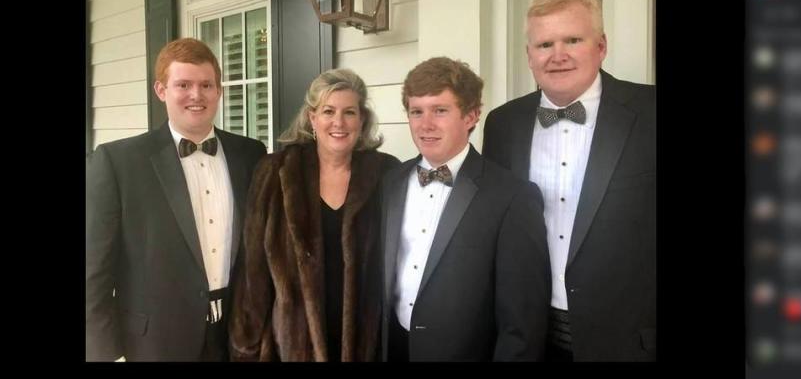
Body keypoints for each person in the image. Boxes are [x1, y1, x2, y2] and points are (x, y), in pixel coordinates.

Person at [483, 0, 656, 361]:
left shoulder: (651, 112)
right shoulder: (502, 123)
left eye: (573, 40)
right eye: (545, 45)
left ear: (601, 47)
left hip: (628, 342)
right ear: (529, 55)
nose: (557, 55)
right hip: (529, 338)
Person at [86, 38, 267, 361]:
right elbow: (93, 269)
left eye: (206, 85)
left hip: (238, 336)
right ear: (161, 90)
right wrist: (105, 353)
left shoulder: (250, 154)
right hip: (153, 342)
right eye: (183, 84)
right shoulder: (118, 161)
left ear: (219, 91)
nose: (196, 95)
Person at [381, 57, 550, 361]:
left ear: (471, 115)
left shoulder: (512, 197)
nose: (425, 124)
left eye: (440, 111)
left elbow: (522, 323)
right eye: (416, 111)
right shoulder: (390, 183)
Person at [229, 69, 399, 361]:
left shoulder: (386, 174)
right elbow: (252, 271)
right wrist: (246, 348)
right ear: (312, 118)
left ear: (362, 120)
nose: (338, 122)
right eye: (328, 111)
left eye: (349, 112)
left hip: (367, 345)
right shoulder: (275, 172)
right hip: (290, 347)